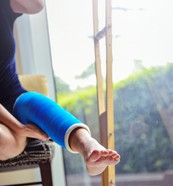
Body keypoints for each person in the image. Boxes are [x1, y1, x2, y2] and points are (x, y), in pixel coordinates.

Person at [0, 0, 120, 176]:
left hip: (13, 96)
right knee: (5, 143)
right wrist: (19, 128)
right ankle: (17, 135)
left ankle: (89, 148)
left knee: (32, 101)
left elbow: (37, 5)